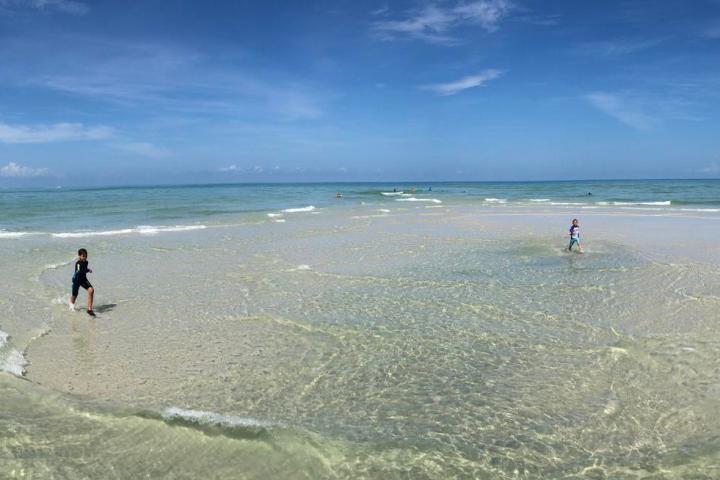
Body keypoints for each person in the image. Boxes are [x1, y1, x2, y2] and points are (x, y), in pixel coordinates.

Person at [70, 248, 95, 316]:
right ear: (79, 256)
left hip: (83, 279)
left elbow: (84, 268)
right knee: (75, 295)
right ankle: (71, 305)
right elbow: (79, 271)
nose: (85, 257)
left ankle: (89, 310)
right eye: (83, 256)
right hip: (76, 280)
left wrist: (88, 269)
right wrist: (87, 270)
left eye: (86, 256)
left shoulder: (86, 262)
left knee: (91, 290)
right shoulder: (78, 263)